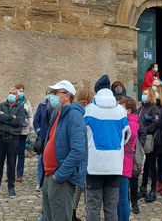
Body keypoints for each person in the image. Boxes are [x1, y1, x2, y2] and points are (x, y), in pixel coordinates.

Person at [84, 75, 130, 221]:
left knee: (93, 208)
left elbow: (83, 136)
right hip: (114, 165)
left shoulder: (88, 110)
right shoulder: (121, 111)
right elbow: (126, 136)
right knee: (111, 208)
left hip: (94, 165)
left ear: (96, 91)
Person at [41, 80, 87, 221]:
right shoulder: (57, 114)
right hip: (49, 174)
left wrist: (59, 176)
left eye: (56, 93)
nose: (52, 96)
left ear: (67, 95)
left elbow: (78, 151)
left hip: (60, 178)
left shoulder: (74, 116)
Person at [0, 87, 26, 199]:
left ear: (17, 96)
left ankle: (11, 187)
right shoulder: (1, 105)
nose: (11, 95)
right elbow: (0, 118)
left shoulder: (20, 107)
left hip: (13, 139)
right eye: (10, 93)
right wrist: (11, 117)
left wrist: (7, 117)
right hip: (0, 138)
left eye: (14, 93)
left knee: (11, 163)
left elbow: (18, 122)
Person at [72, 85, 94, 221]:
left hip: (79, 153)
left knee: (76, 187)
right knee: (86, 188)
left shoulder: (77, 112)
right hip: (88, 154)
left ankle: (72, 213)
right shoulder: (89, 112)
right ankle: (86, 213)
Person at [118, 97, 139, 220]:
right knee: (119, 197)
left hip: (124, 163)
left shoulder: (131, 123)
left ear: (129, 111)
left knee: (123, 198)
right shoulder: (127, 121)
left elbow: (128, 135)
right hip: (121, 163)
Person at [138, 88, 161, 203]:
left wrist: (143, 130)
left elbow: (156, 124)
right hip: (142, 139)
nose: (144, 96)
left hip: (151, 140)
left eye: (146, 94)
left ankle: (153, 189)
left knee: (152, 165)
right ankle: (143, 188)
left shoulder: (154, 109)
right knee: (145, 166)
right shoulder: (141, 108)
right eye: (143, 94)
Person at [15, 83, 34, 183]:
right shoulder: (12, 100)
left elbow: (30, 115)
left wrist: (30, 125)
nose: (21, 92)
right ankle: (10, 173)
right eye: (19, 90)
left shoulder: (27, 102)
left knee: (21, 153)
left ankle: (19, 174)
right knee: (12, 153)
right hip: (14, 131)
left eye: (22, 90)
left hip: (23, 132)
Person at [33, 92, 51, 191]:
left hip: (51, 138)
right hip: (43, 137)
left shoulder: (56, 106)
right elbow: (36, 120)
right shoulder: (41, 106)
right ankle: (39, 182)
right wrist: (39, 131)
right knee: (41, 161)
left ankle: (48, 182)